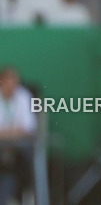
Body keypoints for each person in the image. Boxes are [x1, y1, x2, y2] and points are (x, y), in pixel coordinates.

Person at [0, 67, 37, 205]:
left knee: (19, 162)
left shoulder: (24, 96)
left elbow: (28, 127)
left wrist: (8, 136)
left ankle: (20, 196)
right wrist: (12, 133)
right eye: (10, 81)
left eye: (16, 81)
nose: (13, 85)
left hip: (19, 147)